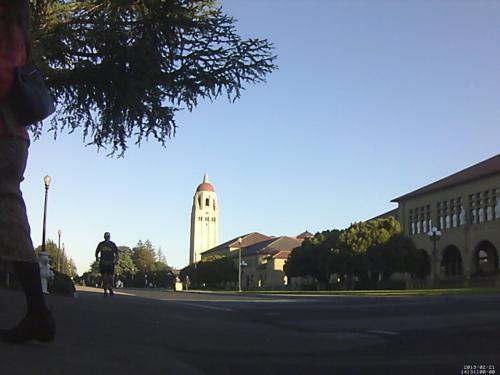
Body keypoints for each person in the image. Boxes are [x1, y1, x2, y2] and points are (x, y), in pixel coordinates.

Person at [0, 0, 55, 343]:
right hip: (12, 137)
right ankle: (38, 312)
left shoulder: (6, 29)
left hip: (3, 135)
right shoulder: (16, 30)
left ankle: (39, 312)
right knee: (10, 217)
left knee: (10, 218)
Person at [95, 232, 119, 297]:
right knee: (104, 277)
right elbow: (97, 252)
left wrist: (116, 260)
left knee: (110, 277)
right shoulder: (101, 244)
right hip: (103, 262)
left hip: (111, 262)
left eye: (108, 237)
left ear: (109, 237)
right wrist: (97, 258)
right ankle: (105, 290)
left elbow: (117, 253)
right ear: (104, 237)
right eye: (106, 237)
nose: (107, 238)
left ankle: (110, 287)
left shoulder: (112, 244)